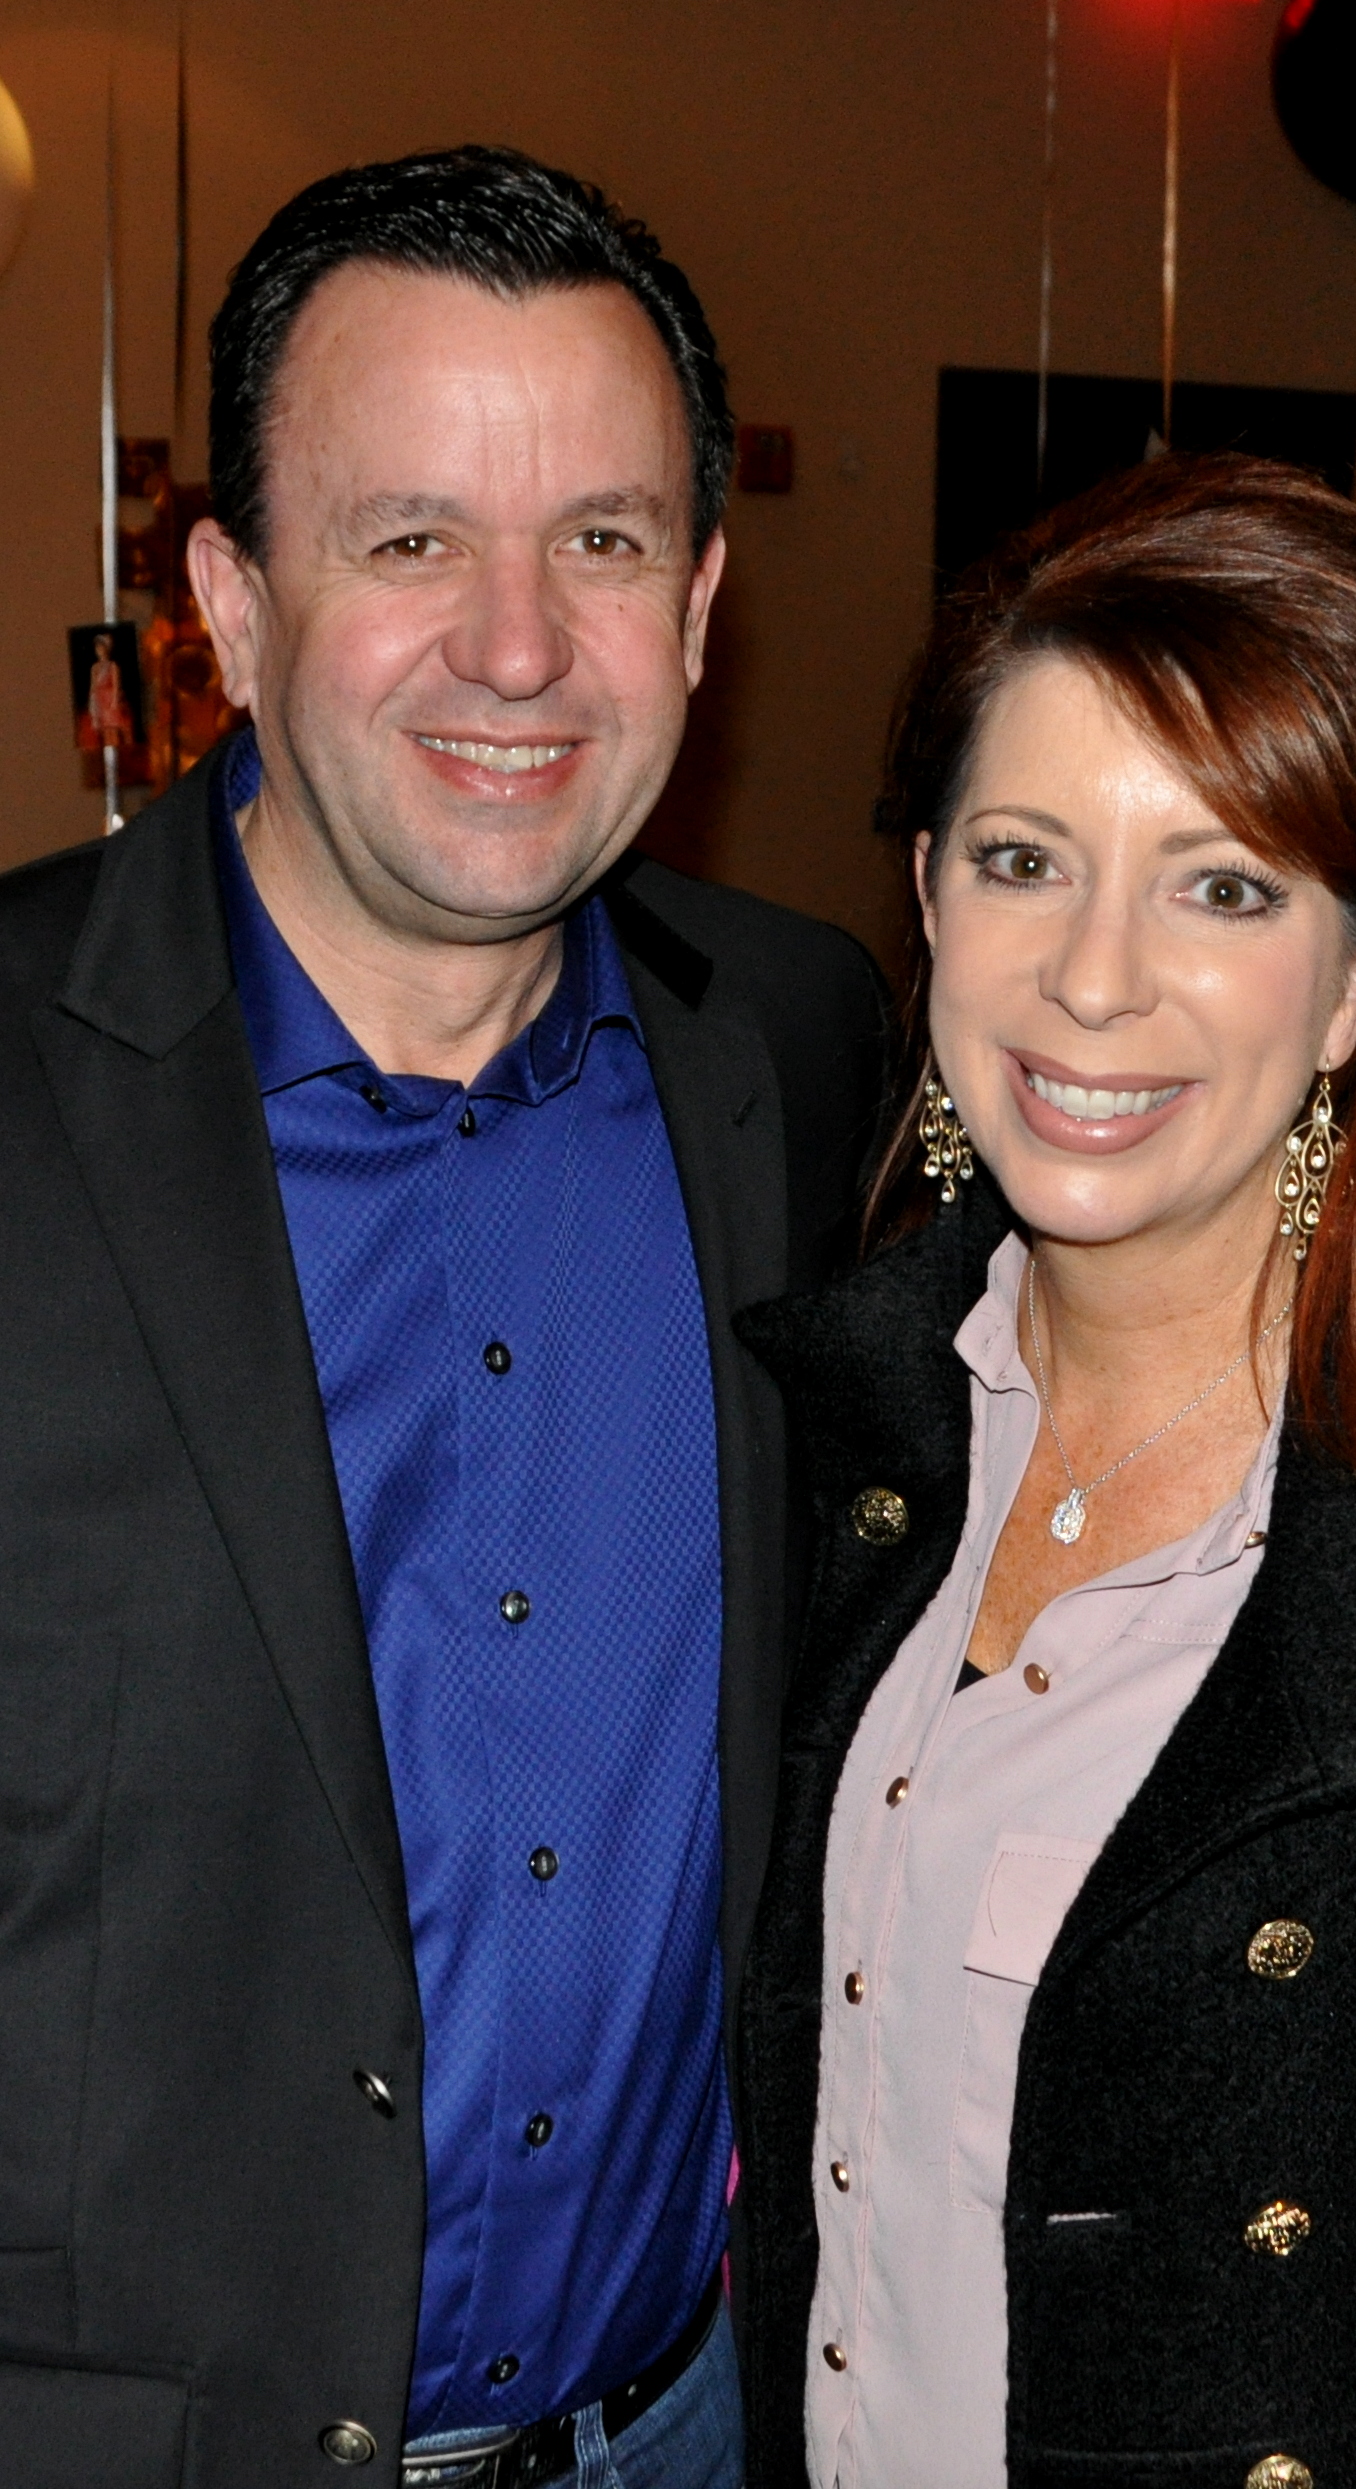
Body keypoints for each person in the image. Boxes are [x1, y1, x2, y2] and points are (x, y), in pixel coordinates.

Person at [0, 148, 886, 2489]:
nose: (516, 646)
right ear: (232, 599)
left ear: (700, 602)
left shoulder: (800, 1054)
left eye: (600, 541)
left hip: (685, 2430)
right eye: (409, 539)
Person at [734, 455, 1356, 2488]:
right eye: (1023, 859)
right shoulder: (832, 1422)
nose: (1092, 976)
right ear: (926, 895)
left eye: (1221, 885)